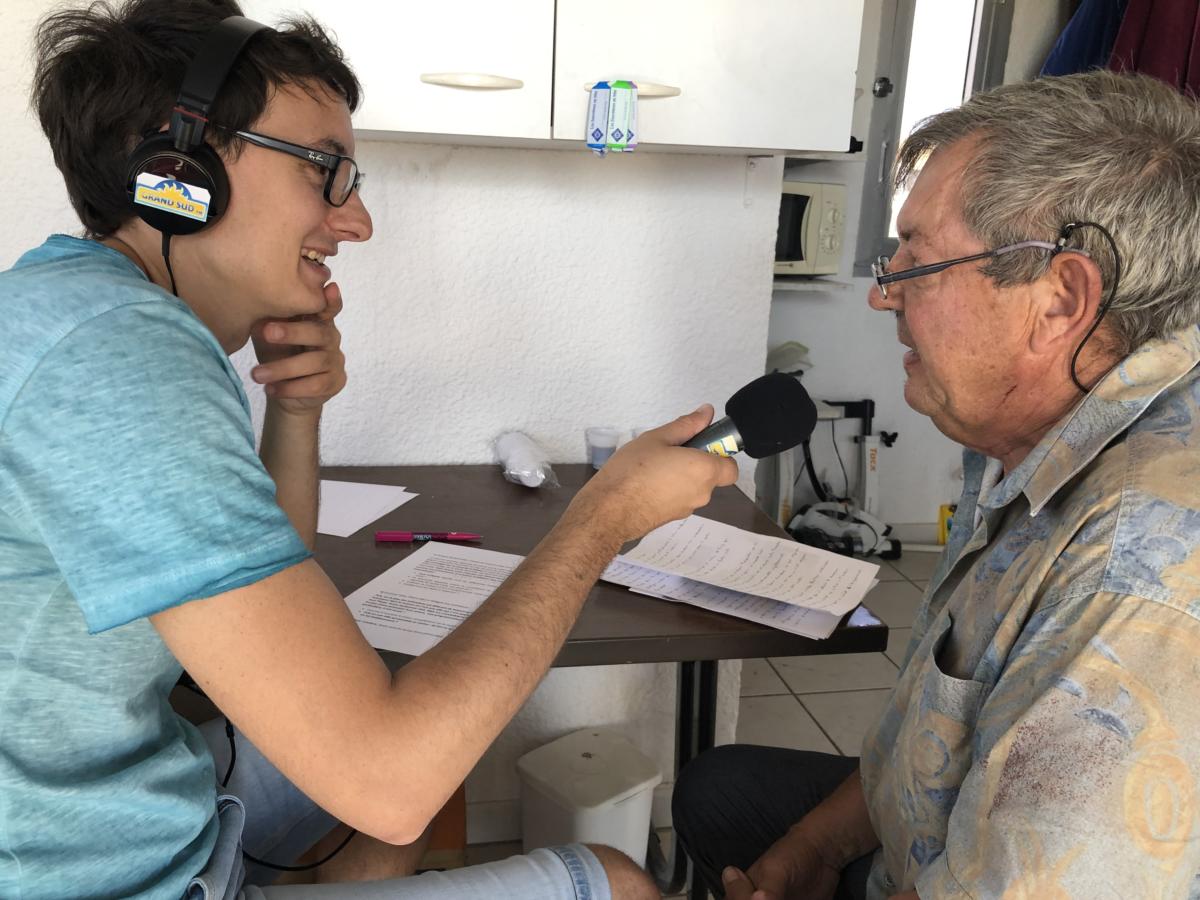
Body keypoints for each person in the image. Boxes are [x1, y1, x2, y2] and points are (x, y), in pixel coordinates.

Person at [0, 2, 738, 898]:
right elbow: (389, 782)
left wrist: (297, 411)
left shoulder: (72, 311)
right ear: (175, 164)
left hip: (130, 794)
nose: (356, 222)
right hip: (98, 871)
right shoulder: (122, 361)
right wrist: (604, 516)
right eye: (327, 171)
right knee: (611, 878)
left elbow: (271, 623)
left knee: (428, 713)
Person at [673, 69, 1200, 899]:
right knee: (721, 791)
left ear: (1061, 297)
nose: (883, 295)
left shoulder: (1135, 578)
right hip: (932, 840)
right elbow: (934, 734)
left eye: (915, 262)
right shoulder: (1029, 435)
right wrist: (814, 847)